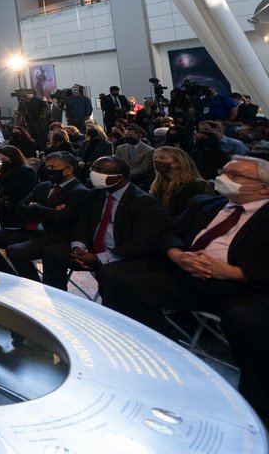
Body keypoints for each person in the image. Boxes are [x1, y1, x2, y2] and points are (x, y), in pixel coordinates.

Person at [107, 155, 269, 419]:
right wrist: (177, 255)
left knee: (246, 321)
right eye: (223, 171)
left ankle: (256, 405)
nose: (223, 178)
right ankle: (166, 357)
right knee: (122, 282)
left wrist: (233, 272)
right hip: (187, 274)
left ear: (264, 187)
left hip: (241, 288)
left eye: (235, 175)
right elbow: (170, 233)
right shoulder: (206, 203)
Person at [41, 156, 170, 303]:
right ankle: (58, 301)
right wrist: (78, 248)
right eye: (94, 169)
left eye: (101, 171)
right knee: (52, 253)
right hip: (92, 250)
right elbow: (82, 226)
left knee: (108, 273)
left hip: (124, 256)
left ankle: (111, 315)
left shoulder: (145, 203)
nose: (94, 174)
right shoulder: (94, 195)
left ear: (119, 178)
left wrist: (100, 258)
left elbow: (142, 244)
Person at [0, 152, 88, 282]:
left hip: (54, 237)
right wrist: (48, 211)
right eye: (47, 167)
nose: (48, 170)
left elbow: (62, 218)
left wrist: (36, 208)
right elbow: (20, 208)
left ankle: (34, 286)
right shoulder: (43, 186)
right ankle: (10, 277)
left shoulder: (80, 191)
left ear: (69, 170)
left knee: (15, 251)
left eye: (53, 168)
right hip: (30, 230)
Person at [148, 146, 212, 219]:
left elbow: (200, 214)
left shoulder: (198, 185)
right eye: (155, 158)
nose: (156, 160)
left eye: (162, 158)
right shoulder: (159, 184)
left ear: (178, 162)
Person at [0, 145, 37, 228]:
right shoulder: (5, 169)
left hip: (16, 211)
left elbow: (23, 189)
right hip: (3, 211)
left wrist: (0, 178)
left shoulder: (26, 171)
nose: (3, 162)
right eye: (1, 159)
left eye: (5, 159)